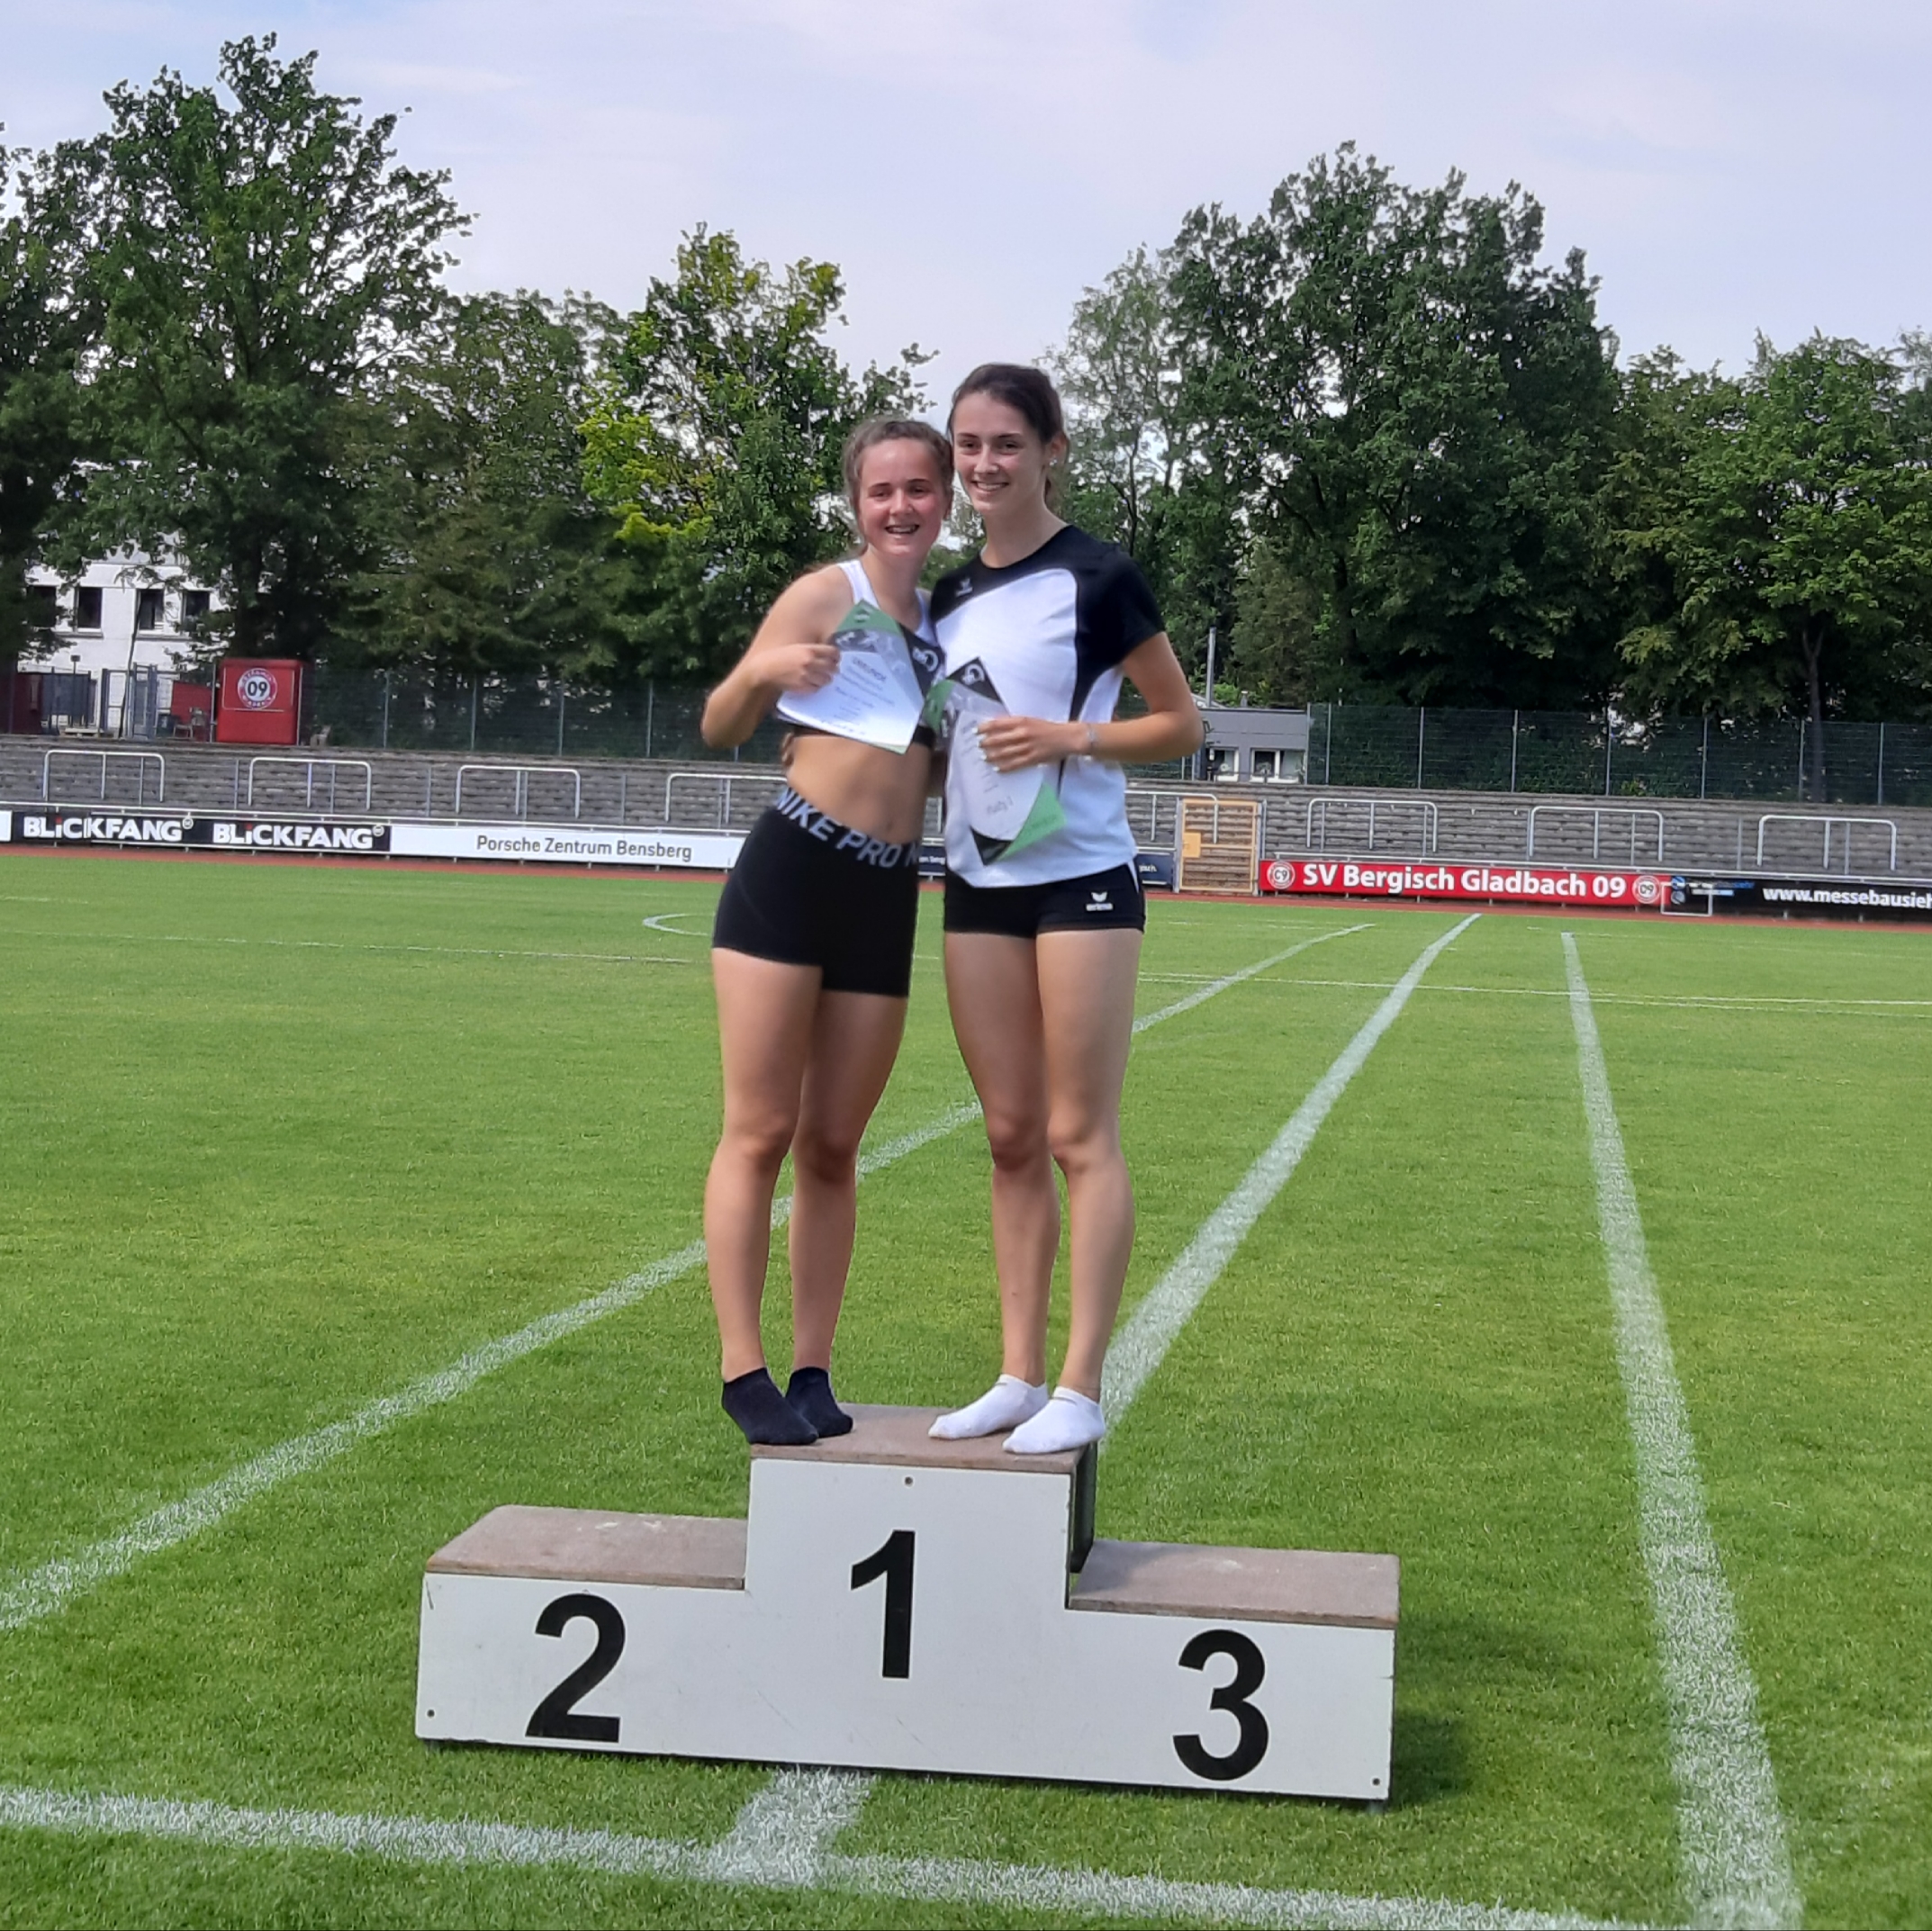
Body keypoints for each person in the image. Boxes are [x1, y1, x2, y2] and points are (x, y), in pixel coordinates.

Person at [928, 365, 1203, 1456]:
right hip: (975, 885)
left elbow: (1180, 722)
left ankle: (1079, 1387)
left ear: (1051, 450)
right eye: (967, 444)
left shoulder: (1099, 575)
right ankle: (1016, 1376)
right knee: (1008, 1136)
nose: (984, 464)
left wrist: (1071, 738)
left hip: (1082, 880)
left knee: (1077, 1135)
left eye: (1005, 443)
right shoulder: (945, 595)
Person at [700, 418, 952, 1446]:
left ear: (945, 500)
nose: (900, 506)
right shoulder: (823, 593)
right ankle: (742, 1370)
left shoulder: (952, 627)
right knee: (760, 1129)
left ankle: (812, 1369)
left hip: (885, 894)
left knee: (835, 1143)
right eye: (881, 490)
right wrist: (767, 670)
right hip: (791, 874)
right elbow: (721, 724)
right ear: (857, 502)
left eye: (918, 489)